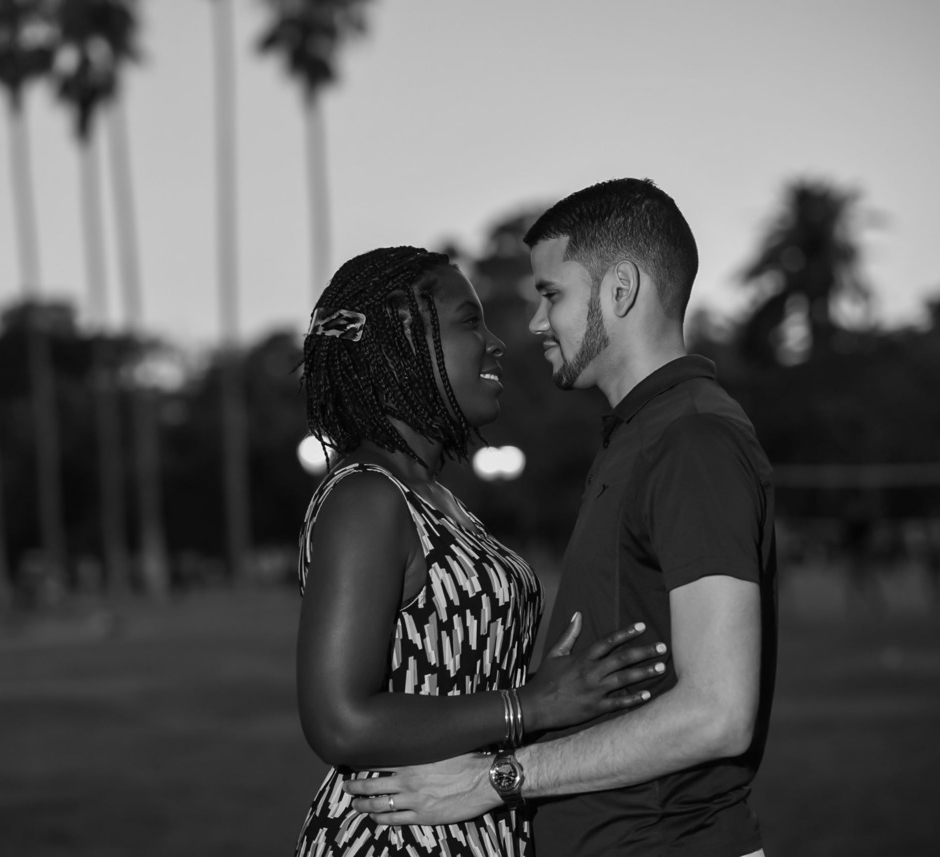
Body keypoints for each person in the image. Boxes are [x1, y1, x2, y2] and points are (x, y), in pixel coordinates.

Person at [344, 180, 779, 857]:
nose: (537, 323)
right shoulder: (639, 433)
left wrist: (498, 778)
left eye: (552, 295)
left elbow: (718, 712)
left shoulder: (693, 438)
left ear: (621, 289)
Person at [293, 245, 669, 857]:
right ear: (401, 347)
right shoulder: (365, 498)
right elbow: (340, 721)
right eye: (469, 322)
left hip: (472, 819)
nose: (496, 342)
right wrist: (533, 704)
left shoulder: (436, 496)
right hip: (398, 839)